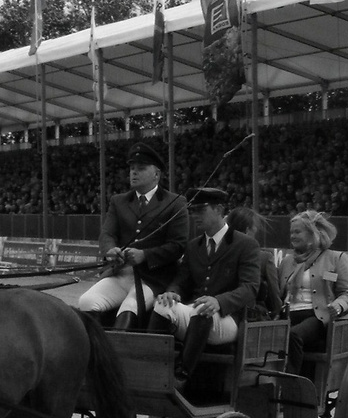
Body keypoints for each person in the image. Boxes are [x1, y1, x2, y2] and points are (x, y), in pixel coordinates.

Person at [151, 187, 261, 386]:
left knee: (203, 311)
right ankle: (151, 366)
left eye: (200, 210)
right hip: (197, 312)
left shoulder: (245, 245)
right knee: (162, 305)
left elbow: (250, 288)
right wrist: (172, 292)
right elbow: (182, 280)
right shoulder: (193, 246)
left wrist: (219, 301)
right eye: (192, 211)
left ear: (219, 210)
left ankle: (181, 374)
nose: (194, 216)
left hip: (230, 318)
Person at [78, 141, 190, 329]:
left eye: (141, 168)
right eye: (132, 168)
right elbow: (107, 233)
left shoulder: (175, 203)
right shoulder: (119, 201)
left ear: (157, 174)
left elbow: (178, 245)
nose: (134, 172)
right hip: (120, 274)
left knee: (129, 308)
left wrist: (145, 255)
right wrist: (110, 250)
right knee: (86, 301)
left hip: (153, 279)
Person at [278, 210, 348, 375]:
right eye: (291, 232)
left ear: (313, 233)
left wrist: (338, 305)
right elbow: (279, 293)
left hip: (317, 316)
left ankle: (289, 380)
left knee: (293, 335)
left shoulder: (336, 258)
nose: (292, 236)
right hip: (288, 313)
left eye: (297, 231)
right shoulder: (287, 261)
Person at [226, 206, 283, 321]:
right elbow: (274, 297)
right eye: (255, 227)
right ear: (248, 230)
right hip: (250, 317)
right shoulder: (264, 258)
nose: (256, 229)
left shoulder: (219, 253)